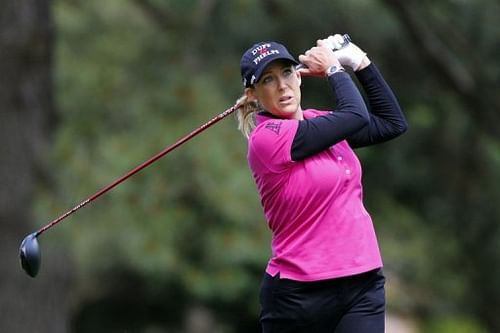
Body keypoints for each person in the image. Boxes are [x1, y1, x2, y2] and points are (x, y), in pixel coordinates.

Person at [235, 35, 408, 333]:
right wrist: (334, 70)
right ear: (252, 94)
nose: (282, 86)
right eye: (268, 80)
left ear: (299, 77)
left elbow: (392, 122)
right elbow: (354, 115)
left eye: (287, 73)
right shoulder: (267, 139)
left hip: (361, 282)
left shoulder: (320, 122)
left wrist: (360, 62)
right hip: (299, 296)